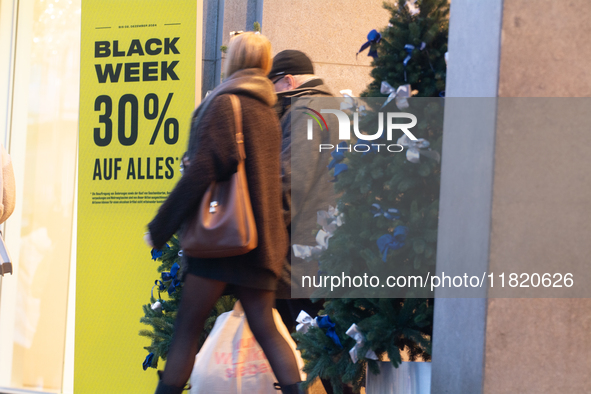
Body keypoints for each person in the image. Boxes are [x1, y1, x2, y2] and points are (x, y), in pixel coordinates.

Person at [145, 33, 302, 394]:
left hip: (221, 241)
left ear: (232, 61)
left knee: (187, 327)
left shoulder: (225, 103)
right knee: (267, 328)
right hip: (260, 242)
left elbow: (203, 171)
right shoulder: (268, 108)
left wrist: (160, 227)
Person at [269, 51, 348, 394]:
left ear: (287, 80)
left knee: (311, 338)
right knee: (332, 343)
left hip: (307, 249)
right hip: (336, 242)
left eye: (273, 86)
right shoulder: (339, 107)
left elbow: (292, 179)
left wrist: (267, 227)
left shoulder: (306, 110)